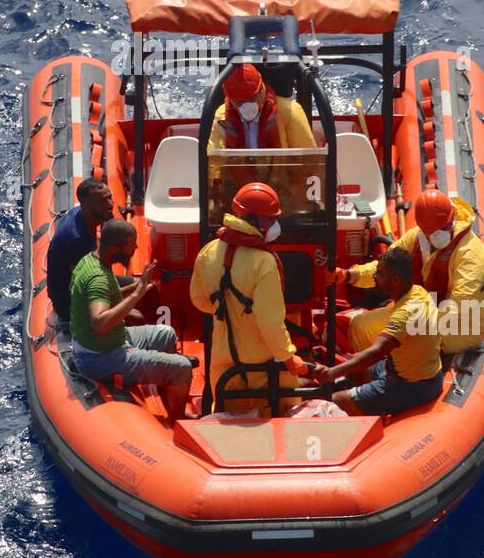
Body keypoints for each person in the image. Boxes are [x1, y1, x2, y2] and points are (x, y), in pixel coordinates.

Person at [190, 182, 311, 413]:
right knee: (283, 417)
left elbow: (199, 299)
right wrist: (288, 357)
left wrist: (231, 312)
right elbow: (270, 321)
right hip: (264, 362)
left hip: (223, 360)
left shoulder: (208, 251)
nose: (274, 225)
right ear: (254, 220)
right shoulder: (263, 262)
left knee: (229, 420)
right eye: (270, 219)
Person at [327, 187, 484, 354]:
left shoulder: (470, 254)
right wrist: (350, 275)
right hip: (422, 311)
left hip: (458, 329)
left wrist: (403, 324)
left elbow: (458, 310)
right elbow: (385, 266)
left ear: (452, 221)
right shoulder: (418, 238)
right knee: (359, 327)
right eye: (428, 233)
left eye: (438, 231)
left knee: (380, 336)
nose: (432, 238)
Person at [69, 218, 193, 423]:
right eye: (131, 244)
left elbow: (110, 294)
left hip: (114, 340)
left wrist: (139, 286)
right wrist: (136, 297)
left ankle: (167, 391)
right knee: (182, 367)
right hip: (101, 357)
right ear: (115, 248)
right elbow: (99, 323)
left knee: (166, 333)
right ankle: (177, 420)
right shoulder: (97, 278)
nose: (136, 246)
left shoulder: (91, 261)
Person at [312, 247, 441, 416]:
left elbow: (377, 351)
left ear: (395, 280)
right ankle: (368, 402)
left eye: (379, 273)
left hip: (411, 385)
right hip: (405, 369)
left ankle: (367, 403)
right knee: (357, 364)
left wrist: (331, 373)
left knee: (335, 400)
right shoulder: (417, 292)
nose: (374, 276)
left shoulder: (406, 312)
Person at [46, 178, 115, 324]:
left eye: (110, 198)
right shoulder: (77, 241)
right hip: (70, 303)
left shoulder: (81, 213)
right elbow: (84, 286)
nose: (110, 204)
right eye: (103, 201)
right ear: (87, 206)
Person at [207, 63, 314, 152]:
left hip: (282, 176)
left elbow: (309, 160)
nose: (247, 106)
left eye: (252, 98)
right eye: (239, 102)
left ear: (262, 90)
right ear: (230, 100)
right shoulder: (222, 118)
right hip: (241, 178)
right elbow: (215, 162)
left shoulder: (291, 112)